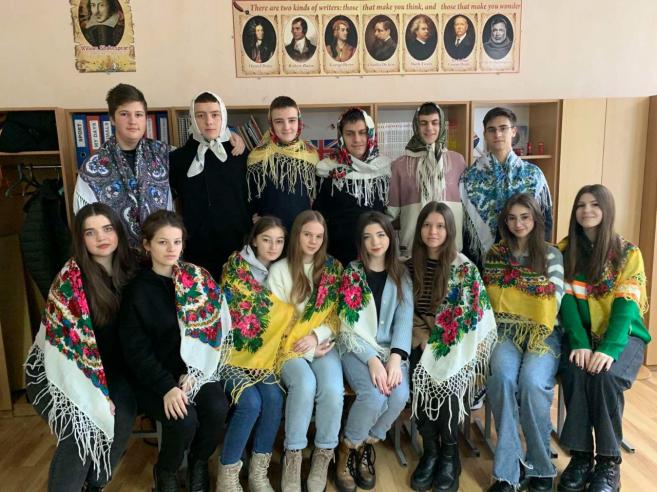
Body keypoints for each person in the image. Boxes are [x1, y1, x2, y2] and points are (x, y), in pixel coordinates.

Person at [24, 203, 137, 492]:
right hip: (57, 373)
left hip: (108, 370)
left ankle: (93, 485)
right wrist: (93, 393)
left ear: (118, 231)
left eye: (107, 228)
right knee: (81, 430)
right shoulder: (70, 281)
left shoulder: (131, 269)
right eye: (90, 232)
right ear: (81, 239)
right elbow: (65, 352)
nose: (101, 237)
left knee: (124, 414)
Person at [119, 210, 231, 492]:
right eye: (162, 242)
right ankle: (166, 471)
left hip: (192, 372)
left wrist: (196, 371)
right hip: (153, 377)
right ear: (147, 245)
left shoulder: (197, 280)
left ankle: (198, 462)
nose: (172, 249)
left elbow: (214, 331)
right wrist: (167, 387)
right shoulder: (136, 290)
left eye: (177, 242)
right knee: (184, 419)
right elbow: (136, 351)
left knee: (217, 406)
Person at [557, 185, 650, 492]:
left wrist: (609, 348)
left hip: (624, 337)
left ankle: (609, 463)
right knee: (574, 369)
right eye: (581, 205)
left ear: (607, 209)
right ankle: (581, 457)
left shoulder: (628, 253)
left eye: (595, 204)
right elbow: (566, 303)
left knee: (605, 377)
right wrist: (580, 342)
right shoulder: (564, 251)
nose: (587, 210)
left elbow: (626, 307)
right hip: (583, 335)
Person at [408, 202, 497, 492]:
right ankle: (430, 451)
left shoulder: (464, 268)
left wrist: (440, 343)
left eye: (440, 226)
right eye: (427, 225)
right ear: (419, 229)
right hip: (417, 339)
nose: (432, 231)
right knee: (418, 375)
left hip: (454, 343)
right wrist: (422, 337)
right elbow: (403, 311)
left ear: (449, 230)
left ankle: (449, 454)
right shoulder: (408, 266)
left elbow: (471, 316)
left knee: (448, 378)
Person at [483, 193, 564, 492]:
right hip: (504, 330)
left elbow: (552, 300)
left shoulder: (551, 254)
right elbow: (490, 299)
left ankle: (541, 466)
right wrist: (531, 293)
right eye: (512, 218)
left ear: (536, 219)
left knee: (532, 382)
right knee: (502, 377)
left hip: (544, 332)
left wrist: (517, 295)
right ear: (505, 222)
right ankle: (508, 469)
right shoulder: (495, 254)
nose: (518, 224)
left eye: (525, 217)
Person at [335, 212, 412, 492]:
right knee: (374, 394)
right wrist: (371, 360)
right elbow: (347, 323)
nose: (375, 242)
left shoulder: (401, 274)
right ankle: (347, 449)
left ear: (390, 237)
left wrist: (395, 359)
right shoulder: (352, 272)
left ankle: (365, 442)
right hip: (356, 347)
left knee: (399, 395)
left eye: (380, 235)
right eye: (368, 237)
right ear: (361, 242)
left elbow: (404, 319)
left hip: (390, 350)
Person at [267, 210, 343, 492]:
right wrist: (307, 349)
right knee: (305, 384)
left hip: (322, 342)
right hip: (286, 348)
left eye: (319, 236)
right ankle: (294, 455)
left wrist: (315, 336)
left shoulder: (333, 269)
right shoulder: (280, 270)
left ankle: (323, 455)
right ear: (296, 234)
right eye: (307, 234)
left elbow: (338, 314)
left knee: (333, 390)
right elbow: (274, 322)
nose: (313, 241)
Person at [217, 217, 287, 492]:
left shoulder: (282, 271)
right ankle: (227, 475)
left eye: (279, 241)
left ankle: (259, 473)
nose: (273, 246)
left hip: (265, 359)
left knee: (273, 398)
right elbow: (235, 316)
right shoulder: (235, 268)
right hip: (229, 355)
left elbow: (284, 317)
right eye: (266, 239)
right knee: (250, 402)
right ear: (254, 240)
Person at [73, 84, 173, 247]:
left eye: (138, 114)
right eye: (124, 114)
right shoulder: (93, 166)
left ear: (145, 118)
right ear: (112, 119)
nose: (133, 121)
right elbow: (84, 220)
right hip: (116, 256)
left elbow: (195, 155)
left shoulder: (163, 154)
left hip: (161, 254)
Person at [169, 90, 250, 281]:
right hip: (196, 249)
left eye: (215, 114)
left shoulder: (240, 154)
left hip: (237, 247)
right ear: (192, 118)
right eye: (200, 115)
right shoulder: (177, 159)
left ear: (224, 117)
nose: (209, 121)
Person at [460, 106, 553, 268]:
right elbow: (465, 227)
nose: (497, 134)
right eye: (492, 130)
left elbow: (545, 221)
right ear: (485, 135)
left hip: (528, 260)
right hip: (483, 263)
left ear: (513, 131)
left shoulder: (533, 175)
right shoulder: (469, 177)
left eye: (503, 128)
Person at [387, 102, 466, 257]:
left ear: (441, 125)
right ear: (416, 126)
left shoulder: (457, 161)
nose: (429, 128)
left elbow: (466, 205)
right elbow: (392, 212)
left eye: (434, 122)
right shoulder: (400, 165)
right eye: (423, 123)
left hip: (450, 247)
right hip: (413, 246)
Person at [314, 108, 390, 266]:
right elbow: (319, 217)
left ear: (370, 134)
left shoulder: (384, 169)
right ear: (341, 136)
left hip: (376, 254)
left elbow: (390, 213)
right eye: (350, 134)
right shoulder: (326, 170)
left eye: (362, 133)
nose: (357, 139)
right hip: (338, 257)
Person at [247, 96, 319, 231]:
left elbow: (318, 199)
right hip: (269, 234)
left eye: (292, 120)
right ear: (271, 124)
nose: (286, 127)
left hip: (302, 234)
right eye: (279, 121)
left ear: (299, 121)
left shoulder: (311, 155)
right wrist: (253, 218)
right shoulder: (257, 156)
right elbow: (250, 198)